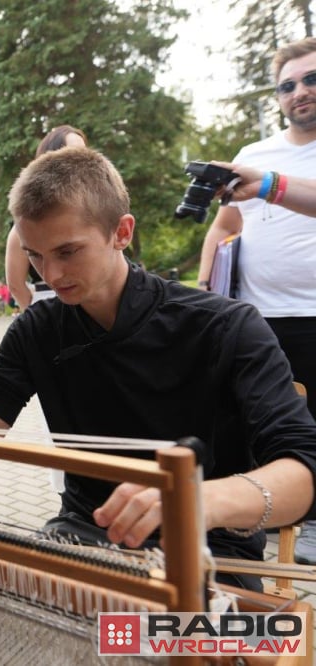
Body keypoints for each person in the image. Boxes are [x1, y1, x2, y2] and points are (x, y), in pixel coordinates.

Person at [0, 147, 316, 590]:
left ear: (121, 232)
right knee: (24, 625)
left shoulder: (226, 326)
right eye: (34, 256)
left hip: (209, 552)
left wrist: (203, 499)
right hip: (83, 537)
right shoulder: (37, 330)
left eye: (67, 251)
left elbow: (303, 471)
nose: (50, 274)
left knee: (169, 644)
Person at [197, 37, 316, 566]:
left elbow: (271, 190)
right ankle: (266, 517)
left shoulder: (262, 172)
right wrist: (207, 286)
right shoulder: (254, 155)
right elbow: (226, 224)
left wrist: (268, 184)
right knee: (264, 423)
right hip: (263, 319)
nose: (300, 93)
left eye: (311, 79)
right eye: (288, 85)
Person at [5, 125, 88, 310]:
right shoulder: (26, 223)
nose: (84, 163)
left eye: (85, 154)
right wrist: (39, 314)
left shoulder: (95, 211)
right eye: (73, 155)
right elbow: (15, 284)